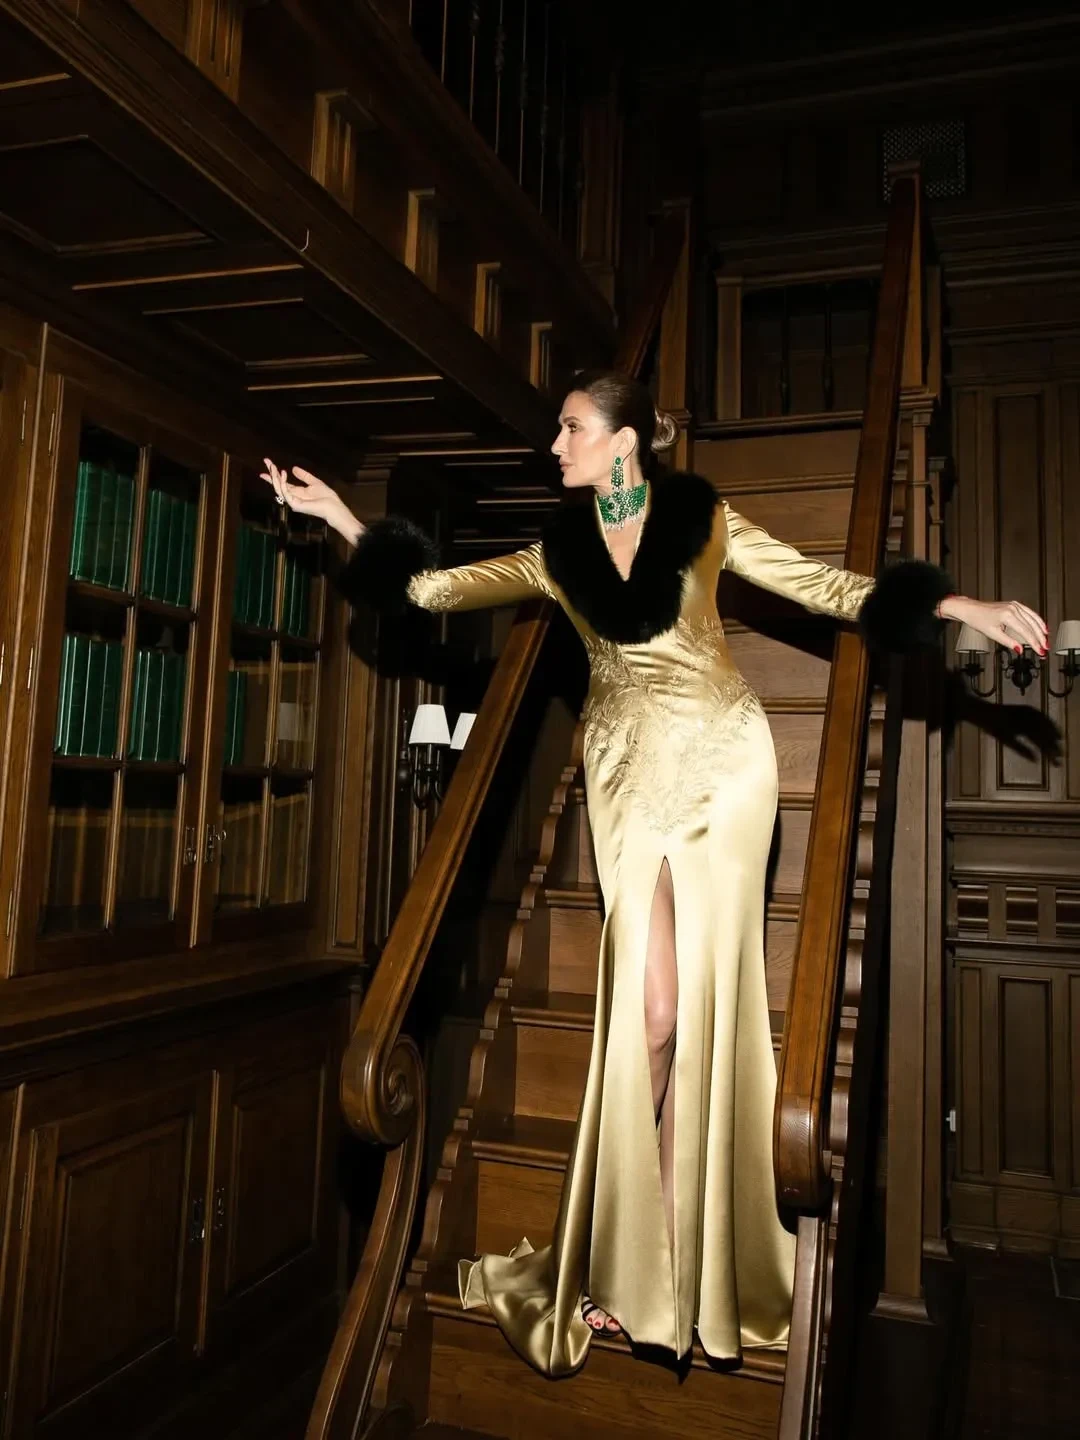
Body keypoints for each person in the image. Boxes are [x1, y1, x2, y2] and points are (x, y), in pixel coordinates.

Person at [262, 370, 1047, 1377]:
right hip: (626, 775)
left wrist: (957, 603)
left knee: (706, 1013)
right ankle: (617, 1252)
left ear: (624, 442)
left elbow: (827, 587)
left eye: (571, 428)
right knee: (657, 1013)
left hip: (725, 767)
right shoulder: (557, 552)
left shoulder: (701, 519)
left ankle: (674, 1271)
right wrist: (338, 515)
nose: (556, 445)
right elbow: (432, 588)